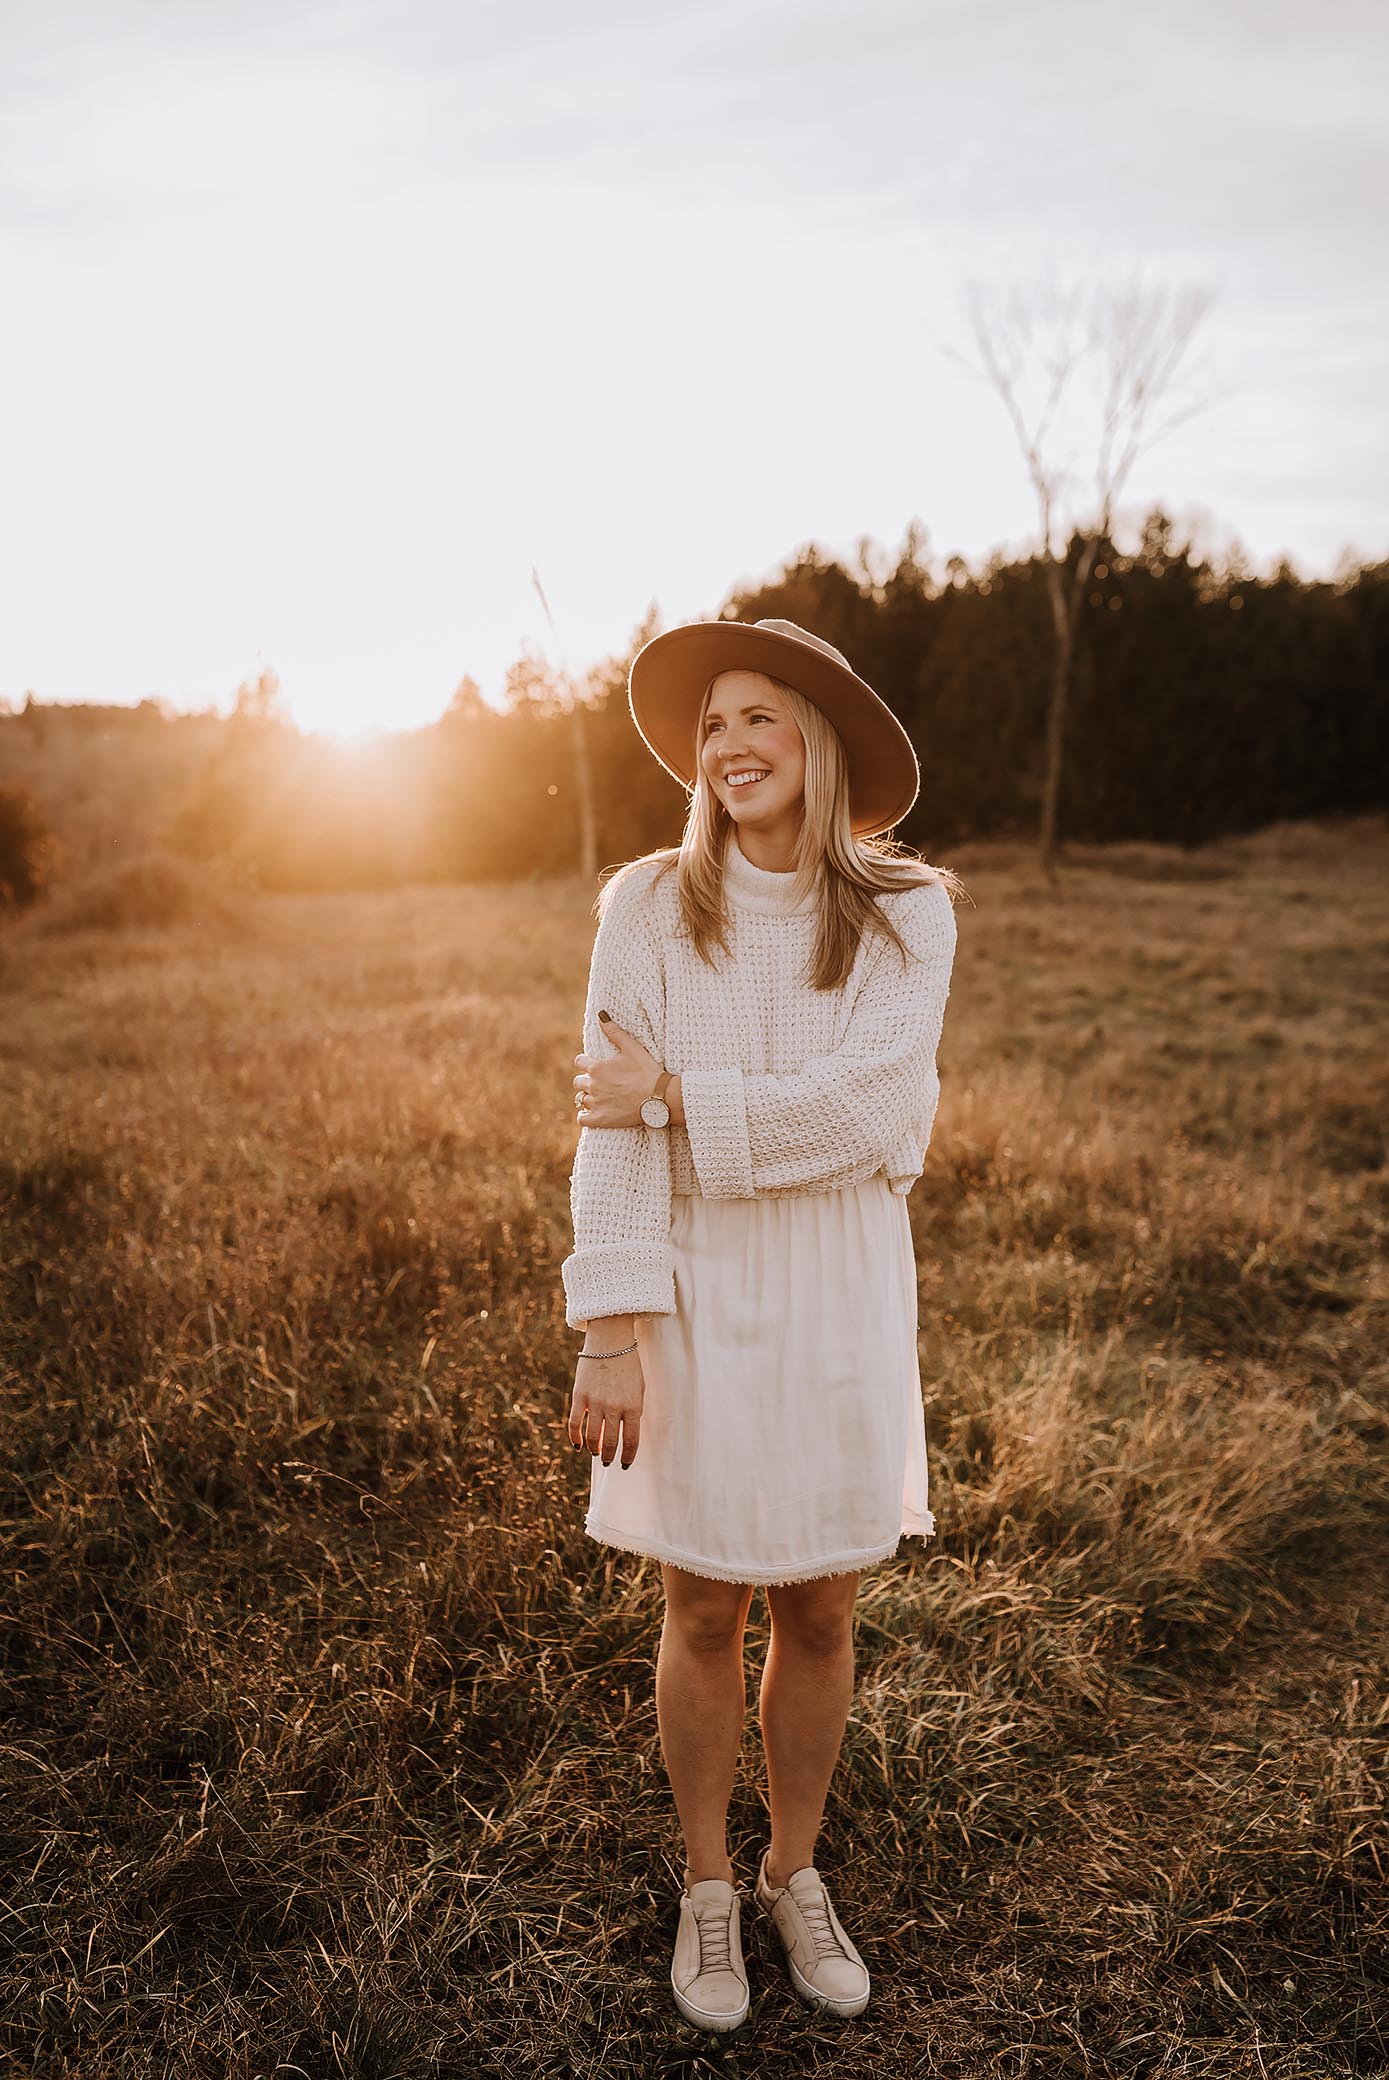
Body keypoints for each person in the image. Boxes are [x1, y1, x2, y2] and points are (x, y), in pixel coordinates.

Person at [559, 617, 962, 2031]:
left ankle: (797, 1873)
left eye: (761, 720)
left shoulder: (909, 911)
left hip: (843, 1281)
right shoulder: (646, 908)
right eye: (712, 722)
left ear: (821, 742)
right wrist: (609, 1322)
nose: (727, 746)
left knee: (824, 1598)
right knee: (701, 1597)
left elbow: (868, 1108)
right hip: (695, 1286)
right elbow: (606, 1135)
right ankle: (709, 1891)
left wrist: (677, 1098)